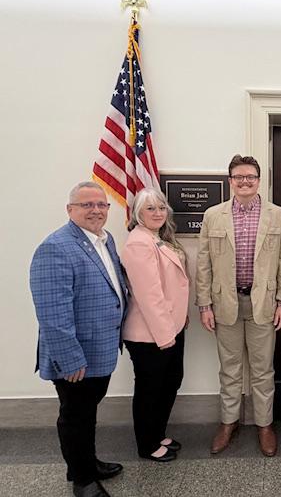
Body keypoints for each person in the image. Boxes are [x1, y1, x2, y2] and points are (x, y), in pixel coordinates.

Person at [29, 181, 126, 497]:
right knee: (75, 417)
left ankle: (88, 463)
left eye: (101, 204)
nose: (96, 210)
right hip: (76, 357)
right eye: (87, 205)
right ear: (70, 209)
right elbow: (52, 314)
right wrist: (69, 359)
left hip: (100, 348)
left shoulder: (104, 240)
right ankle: (83, 480)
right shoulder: (55, 248)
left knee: (87, 413)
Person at [196, 154, 281, 457]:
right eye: (239, 177)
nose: (245, 181)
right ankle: (229, 422)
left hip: (264, 304)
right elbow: (204, 264)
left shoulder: (277, 215)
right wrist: (204, 305)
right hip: (226, 304)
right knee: (230, 369)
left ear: (259, 180)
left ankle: (264, 425)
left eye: (250, 176)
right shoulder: (214, 215)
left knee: (263, 370)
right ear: (231, 181)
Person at [121, 188, 189, 463]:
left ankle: (157, 433)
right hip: (150, 334)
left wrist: (179, 320)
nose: (158, 213)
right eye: (150, 208)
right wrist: (165, 335)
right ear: (138, 213)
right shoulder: (139, 243)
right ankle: (147, 444)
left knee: (170, 382)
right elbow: (149, 295)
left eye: (161, 208)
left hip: (171, 326)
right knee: (150, 389)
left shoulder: (157, 238)